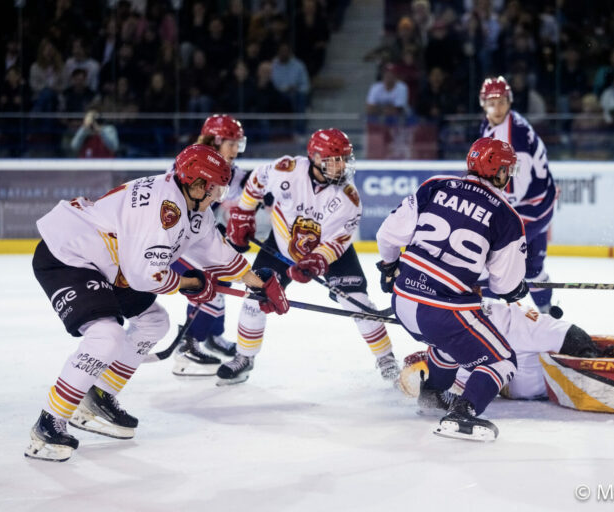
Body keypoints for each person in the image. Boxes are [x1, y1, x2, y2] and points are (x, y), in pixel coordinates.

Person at [25, 144, 289, 462]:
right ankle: (49, 422)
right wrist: (191, 284)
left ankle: (99, 396)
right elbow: (144, 277)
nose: (220, 195)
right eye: (216, 187)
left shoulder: (189, 203)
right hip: (69, 255)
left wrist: (256, 282)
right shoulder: (165, 210)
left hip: (109, 262)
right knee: (105, 336)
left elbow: (212, 249)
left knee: (154, 322)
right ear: (198, 183)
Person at [218, 128, 401, 384]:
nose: (340, 166)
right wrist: (244, 212)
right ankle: (245, 357)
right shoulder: (287, 169)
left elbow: (339, 240)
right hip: (281, 246)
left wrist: (318, 260)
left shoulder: (349, 198)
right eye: (333, 160)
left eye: (344, 159)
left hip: (328, 252)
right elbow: (258, 178)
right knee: (254, 299)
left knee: (357, 302)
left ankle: (386, 357)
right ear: (314, 157)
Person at [375, 137, 528, 441]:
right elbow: (504, 284)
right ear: (496, 171)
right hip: (443, 312)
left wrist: (390, 266)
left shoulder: (436, 185)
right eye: (506, 170)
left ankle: (431, 394)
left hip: (403, 301)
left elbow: (387, 234)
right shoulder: (506, 216)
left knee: (450, 344)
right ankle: (463, 413)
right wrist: (516, 289)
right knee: (502, 360)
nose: (508, 176)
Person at [397, 300, 614, 420]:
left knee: (578, 356)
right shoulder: (454, 330)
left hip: (553, 372)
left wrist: (590, 355)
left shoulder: (513, 318)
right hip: (535, 386)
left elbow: (569, 334)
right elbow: (421, 382)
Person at [168, 114, 252, 376]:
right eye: (231, 143)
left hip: (196, 236)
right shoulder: (196, 163)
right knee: (210, 285)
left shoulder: (221, 166)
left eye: (239, 143)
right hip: (174, 239)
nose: (236, 150)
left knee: (222, 282)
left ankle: (213, 335)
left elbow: (245, 185)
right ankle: (189, 346)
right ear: (215, 141)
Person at [478, 76, 558, 315]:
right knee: (533, 269)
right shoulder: (491, 125)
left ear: (509, 101)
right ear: (483, 104)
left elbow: (515, 190)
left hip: (532, 207)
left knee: (494, 257)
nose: (497, 107)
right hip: (538, 201)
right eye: (492, 102)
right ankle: (545, 312)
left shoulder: (515, 136)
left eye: (502, 101)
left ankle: (485, 316)